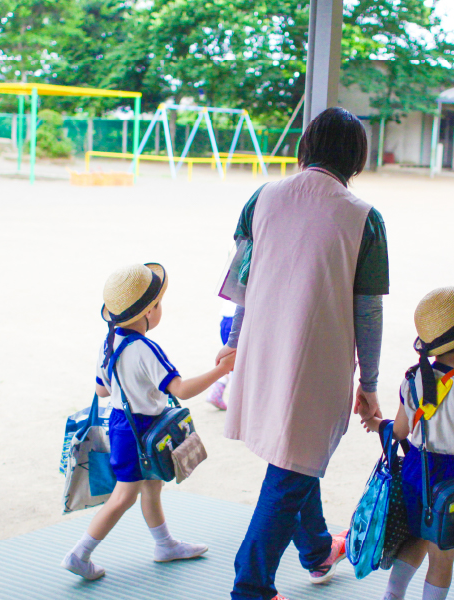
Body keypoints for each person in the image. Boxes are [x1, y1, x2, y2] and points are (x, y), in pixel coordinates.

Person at [218, 107, 390, 600]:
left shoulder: (262, 197)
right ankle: (250, 586)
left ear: (306, 145)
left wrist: (234, 343)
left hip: (262, 351)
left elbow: (241, 281)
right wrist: (370, 384)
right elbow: (368, 312)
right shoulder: (364, 219)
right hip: (318, 363)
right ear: (357, 156)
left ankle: (316, 551)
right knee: (293, 468)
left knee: (296, 456)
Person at [61, 262, 235, 580]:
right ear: (149, 312)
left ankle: (165, 545)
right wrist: (222, 371)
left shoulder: (110, 341)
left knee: (152, 486)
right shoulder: (145, 349)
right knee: (124, 495)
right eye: (159, 304)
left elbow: (101, 388)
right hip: (142, 429)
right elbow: (180, 389)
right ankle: (79, 554)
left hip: (121, 423)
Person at [364, 286, 454, 600]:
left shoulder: (412, 378)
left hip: (415, 470)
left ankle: (392, 595)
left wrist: (374, 424)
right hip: (452, 477)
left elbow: (399, 430)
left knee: (418, 536)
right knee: (442, 553)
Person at [205, 299, 236, 410]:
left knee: (233, 363)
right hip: (239, 319)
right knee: (239, 365)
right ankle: (236, 404)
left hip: (226, 319)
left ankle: (217, 389)